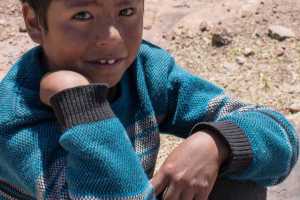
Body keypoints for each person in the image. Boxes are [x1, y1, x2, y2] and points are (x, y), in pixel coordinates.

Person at [0, 0, 298, 199]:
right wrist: (83, 107)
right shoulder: (16, 118)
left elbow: (280, 135)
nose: (111, 36)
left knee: (236, 173)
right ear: (34, 22)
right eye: (82, 15)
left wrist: (216, 143)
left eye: (126, 11)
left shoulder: (144, 70)